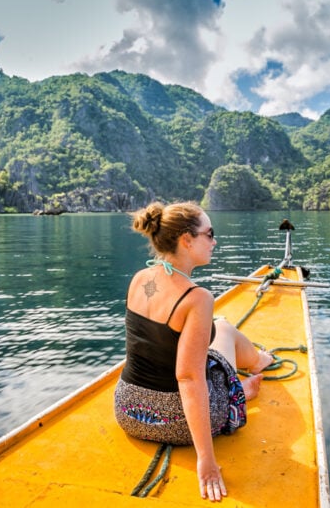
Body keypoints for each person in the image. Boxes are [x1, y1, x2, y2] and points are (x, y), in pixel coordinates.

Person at [114, 201, 274, 502]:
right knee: (223, 327)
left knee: (213, 336)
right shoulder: (197, 298)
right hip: (176, 424)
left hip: (128, 411)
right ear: (186, 240)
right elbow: (188, 378)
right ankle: (255, 368)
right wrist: (207, 461)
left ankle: (248, 372)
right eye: (209, 234)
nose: (214, 242)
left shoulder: (139, 280)